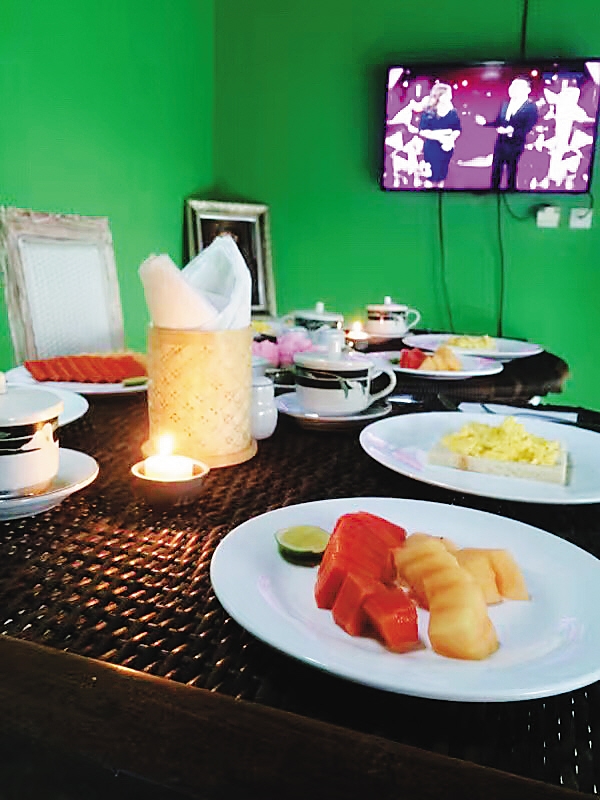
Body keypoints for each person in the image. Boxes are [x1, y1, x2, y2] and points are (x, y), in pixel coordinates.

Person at [475, 76, 538, 191]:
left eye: (517, 86)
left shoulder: (531, 108)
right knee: (496, 169)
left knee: (511, 170)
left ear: (528, 90)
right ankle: (493, 191)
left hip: (516, 144)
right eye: (512, 85)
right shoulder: (505, 104)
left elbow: (528, 128)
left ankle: (511, 192)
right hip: (501, 143)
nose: (513, 88)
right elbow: (499, 122)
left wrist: (511, 131)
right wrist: (485, 123)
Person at [418, 83, 461, 187]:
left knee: (442, 176)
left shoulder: (452, 112)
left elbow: (457, 129)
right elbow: (422, 131)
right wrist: (440, 136)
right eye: (447, 94)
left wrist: (451, 138)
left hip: (446, 149)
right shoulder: (429, 112)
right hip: (432, 149)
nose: (450, 97)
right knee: (431, 177)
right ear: (439, 96)